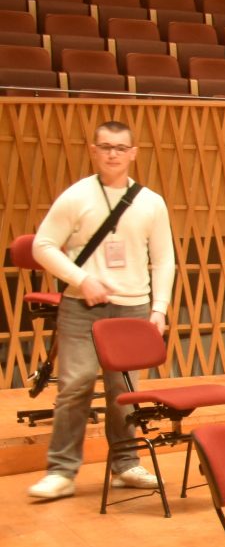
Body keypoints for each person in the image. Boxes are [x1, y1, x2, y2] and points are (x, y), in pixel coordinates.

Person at [27, 119, 177, 502]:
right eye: (106, 147)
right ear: (94, 151)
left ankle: (126, 465)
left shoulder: (151, 202)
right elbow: (43, 245)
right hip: (82, 307)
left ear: (133, 153)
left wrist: (159, 309)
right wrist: (81, 279)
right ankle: (61, 472)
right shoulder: (77, 196)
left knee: (124, 391)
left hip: (132, 310)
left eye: (120, 148)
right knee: (75, 386)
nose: (113, 154)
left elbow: (164, 259)